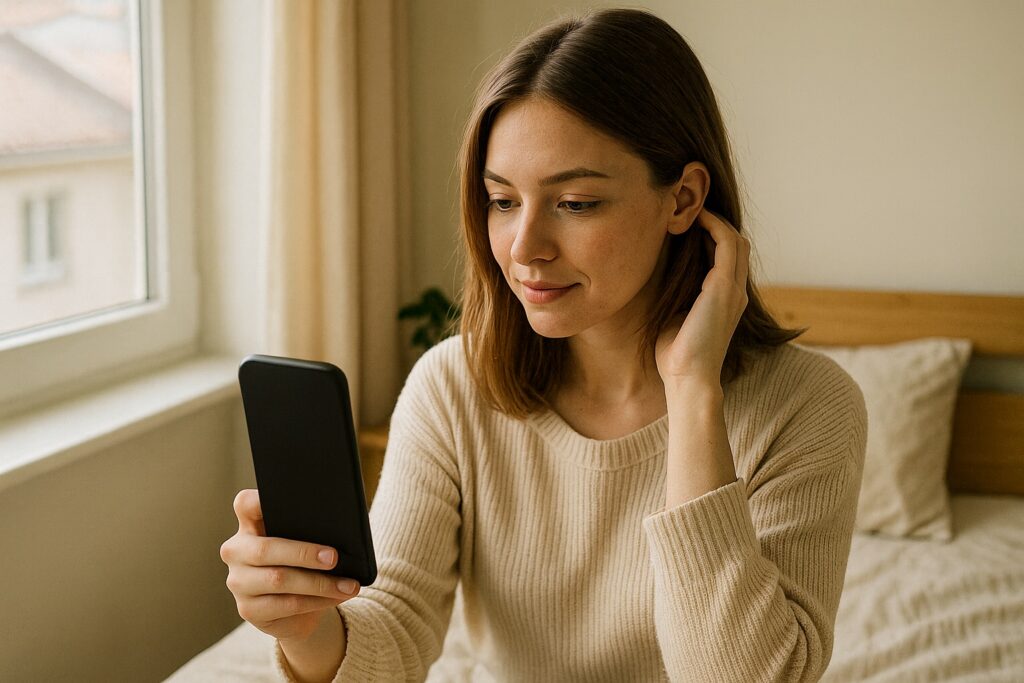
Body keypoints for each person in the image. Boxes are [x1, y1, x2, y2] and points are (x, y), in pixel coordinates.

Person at [220, 8, 867, 682]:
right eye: (502, 201)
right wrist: (307, 623)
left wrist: (695, 391)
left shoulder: (809, 406)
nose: (524, 248)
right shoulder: (453, 387)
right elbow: (394, 626)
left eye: (576, 202)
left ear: (683, 199)